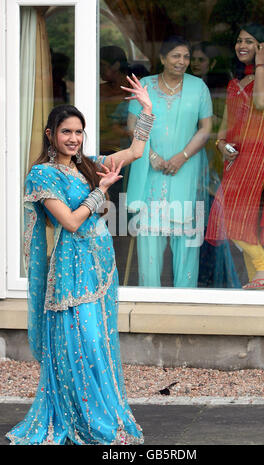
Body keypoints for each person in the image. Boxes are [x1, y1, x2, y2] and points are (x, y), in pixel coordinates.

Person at [6, 74, 154, 445]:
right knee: (81, 344)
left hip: (102, 267)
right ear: (50, 133)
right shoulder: (41, 175)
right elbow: (70, 222)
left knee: (100, 344)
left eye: (79, 132)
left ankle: (103, 416)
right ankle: (85, 421)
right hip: (71, 271)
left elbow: (135, 152)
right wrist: (100, 192)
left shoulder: (86, 165)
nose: (73, 138)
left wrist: (147, 110)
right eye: (66, 132)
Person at [205, 23, 264, 290]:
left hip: (260, 155)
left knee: (229, 217)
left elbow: (263, 101)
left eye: (250, 41)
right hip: (236, 158)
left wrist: (262, 66)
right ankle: (259, 278)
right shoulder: (234, 83)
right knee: (235, 217)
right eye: (240, 40)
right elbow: (225, 126)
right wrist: (220, 145)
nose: (242, 45)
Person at [126, 36, 212, 287]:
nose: (182, 61)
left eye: (186, 57)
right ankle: (149, 298)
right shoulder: (146, 85)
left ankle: (186, 300)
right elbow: (132, 125)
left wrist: (183, 156)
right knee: (149, 238)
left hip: (185, 170)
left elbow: (206, 128)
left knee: (186, 239)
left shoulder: (199, 88)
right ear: (163, 59)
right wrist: (150, 154)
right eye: (176, 56)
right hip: (149, 170)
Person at [190, 43, 240, 288]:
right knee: (195, 225)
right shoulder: (187, 86)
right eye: (193, 59)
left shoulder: (219, 89)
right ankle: (201, 280)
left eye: (201, 59)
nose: (195, 63)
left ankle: (217, 283)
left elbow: (228, 126)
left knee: (212, 224)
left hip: (212, 160)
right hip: (193, 159)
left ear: (212, 63)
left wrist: (205, 124)